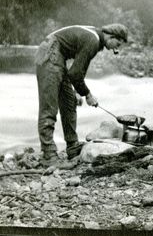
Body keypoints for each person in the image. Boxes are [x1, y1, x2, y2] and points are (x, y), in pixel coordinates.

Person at [35, 23, 128, 166]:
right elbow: (75, 73)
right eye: (117, 43)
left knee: (69, 100)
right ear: (110, 35)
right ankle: (48, 155)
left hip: (58, 56)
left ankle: (72, 147)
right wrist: (87, 94)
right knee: (49, 107)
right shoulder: (93, 40)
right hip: (49, 53)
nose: (116, 48)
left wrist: (78, 92)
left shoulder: (94, 38)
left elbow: (78, 70)